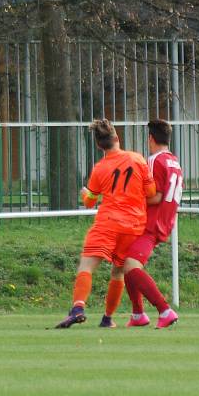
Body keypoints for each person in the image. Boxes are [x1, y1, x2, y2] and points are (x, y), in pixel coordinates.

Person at [55, 119, 156, 329]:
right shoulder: (137, 159)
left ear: (99, 146)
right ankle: (107, 319)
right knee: (118, 272)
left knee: (87, 266)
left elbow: (90, 202)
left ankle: (78, 308)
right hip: (134, 225)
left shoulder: (100, 168)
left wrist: (85, 194)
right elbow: (151, 193)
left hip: (108, 222)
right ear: (117, 138)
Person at [121, 119, 181, 329]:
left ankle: (165, 310)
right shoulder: (174, 161)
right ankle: (138, 314)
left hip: (150, 222)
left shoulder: (155, 160)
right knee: (124, 261)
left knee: (130, 265)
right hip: (164, 220)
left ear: (150, 138)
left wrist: (127, 198)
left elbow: (155, 196)